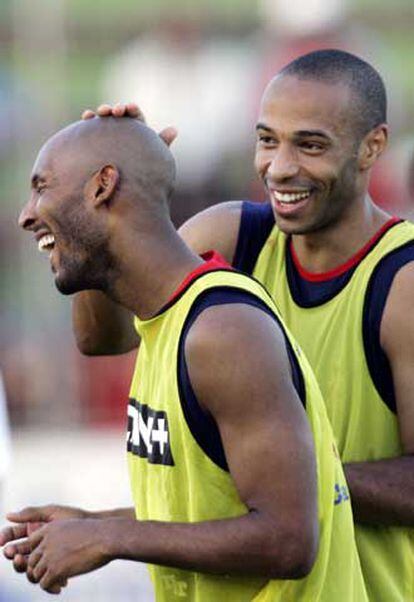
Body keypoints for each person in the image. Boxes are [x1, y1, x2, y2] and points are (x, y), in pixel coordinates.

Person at [72, 49, 414, 602]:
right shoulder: (234, 236)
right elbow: (102, 337)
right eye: (267, 139)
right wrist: (102, 210)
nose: (279, 167)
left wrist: (281, 482)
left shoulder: (402, 284)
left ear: (373, 146)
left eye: (310, 144)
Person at [1, 116, 367, 600]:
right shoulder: (163, 323)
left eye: (41, 187)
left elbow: (288, 540)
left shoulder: (222, 330)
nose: (26, 215)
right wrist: (93, 525)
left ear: (102, 186)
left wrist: (112, 538)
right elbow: (219, 512)